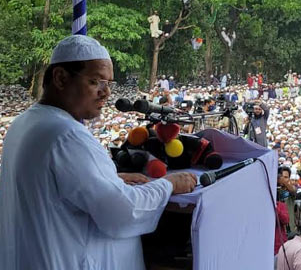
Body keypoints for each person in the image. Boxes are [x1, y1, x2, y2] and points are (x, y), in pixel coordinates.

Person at [0, 35, 197, 270]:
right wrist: (168, 185)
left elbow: (53, 187)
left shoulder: (25, 123)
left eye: (109, 84)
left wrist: (109, 180)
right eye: (96, 81)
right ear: (61, 78)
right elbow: (122, 212)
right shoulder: (67, 135)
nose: (106, 93)